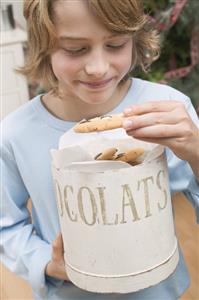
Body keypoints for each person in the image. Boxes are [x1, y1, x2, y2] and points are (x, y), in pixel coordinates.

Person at [1, 0, 198, 299]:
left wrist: (196, 151)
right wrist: (46, 263)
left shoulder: (169, 110)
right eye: (75, 49)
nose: (97, 68)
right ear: (44, 44)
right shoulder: (16, 134)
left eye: (116, 44)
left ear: (134, 38)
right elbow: (7, 226)